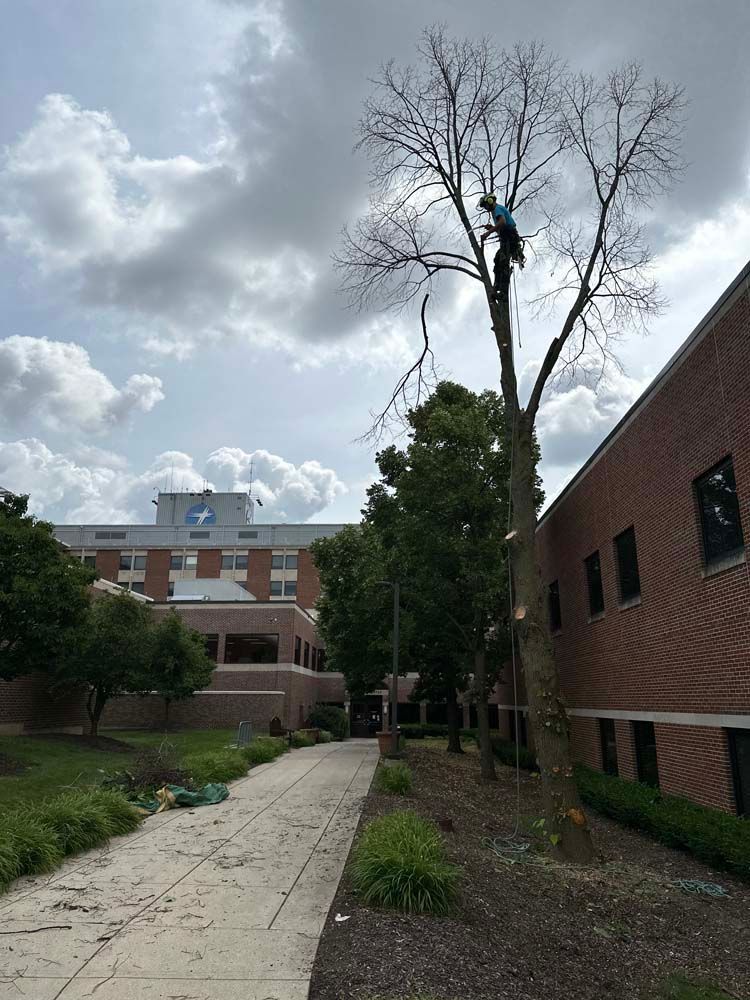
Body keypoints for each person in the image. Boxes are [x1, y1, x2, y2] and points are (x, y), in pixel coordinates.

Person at [477, 193, 525, 291]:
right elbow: (501, 226)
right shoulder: (496, 211)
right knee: (498, 259)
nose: (486, 208)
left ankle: (502, 291)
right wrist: (491, 228)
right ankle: (497, 286)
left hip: (510, 237)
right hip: (508, 237)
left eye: (485, 205)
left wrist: (488, 233)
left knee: (502, 262)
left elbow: (502, 222)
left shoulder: (497, 209)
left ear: (490, 201)